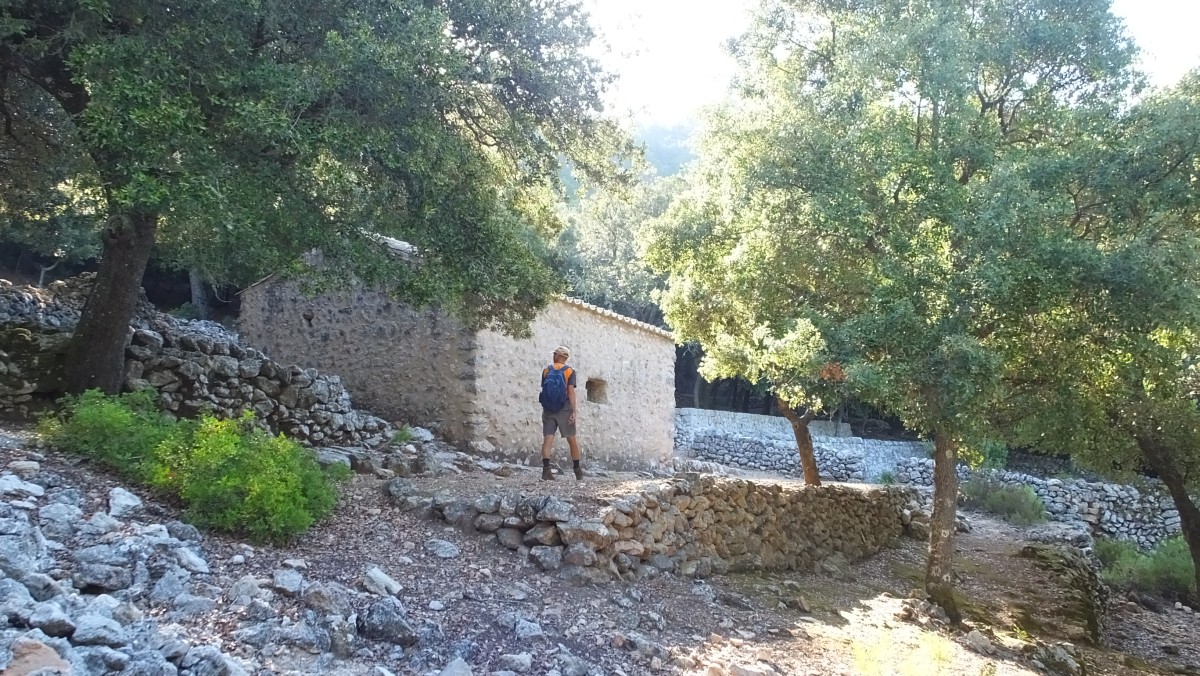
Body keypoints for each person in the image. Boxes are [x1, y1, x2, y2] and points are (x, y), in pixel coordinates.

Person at [538, 345, 583, 481]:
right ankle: (577, 470)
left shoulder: (546, 370)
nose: (553, 356)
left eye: (555, 354)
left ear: (559, 356)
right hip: (564, 408)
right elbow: (570, 392)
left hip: (548, 409)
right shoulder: (570, 371)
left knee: (548, 438)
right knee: (571, 439)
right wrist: (574, 411)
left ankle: (546, 471)